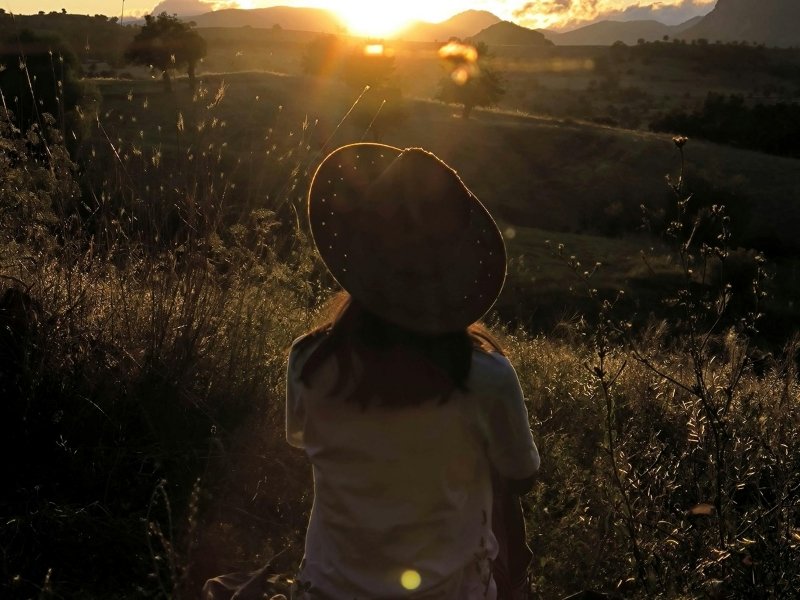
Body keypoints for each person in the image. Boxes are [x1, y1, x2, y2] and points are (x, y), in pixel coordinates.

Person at [285, 143, 540, 599]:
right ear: (451, 271)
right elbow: (521, 475)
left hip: (325, 590)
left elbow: (303, 442)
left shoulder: (308, 359)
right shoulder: (487, 376)